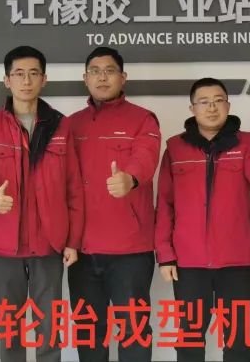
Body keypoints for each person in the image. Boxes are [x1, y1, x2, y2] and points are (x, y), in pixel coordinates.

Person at [0, 45, 84, 362]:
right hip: (4, 243)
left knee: (49, 328)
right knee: (11, 330)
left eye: (34, 73)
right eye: (19, 74)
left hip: (49, 242)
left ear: (44, 79)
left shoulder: (61, 126)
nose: (26, 80)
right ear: (7, 80)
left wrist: (73, 241)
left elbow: (74, 186)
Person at [155, 77, 250, 362]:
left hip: (237, 259)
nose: (212, 108)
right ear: (192, 108)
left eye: (218, 101)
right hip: (189, 261)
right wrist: (165, 255)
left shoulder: (247, 142)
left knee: (238, 339)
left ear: (228, 106)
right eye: (204, 102)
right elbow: (165, 204)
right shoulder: (175, 148)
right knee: (189, 338)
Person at [66, 46, 161, 362]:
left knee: (133, 332)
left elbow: (146, 157)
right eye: (95, 71)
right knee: (89, 332)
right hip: (81, 249)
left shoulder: (142, 119)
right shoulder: (70, 125)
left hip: (129, 250)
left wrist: (130, 179)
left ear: (123, 77)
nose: (102, 77)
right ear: (85, 79)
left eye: (109, 70)